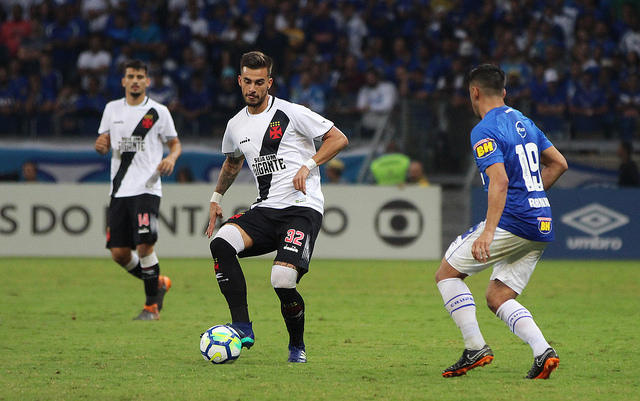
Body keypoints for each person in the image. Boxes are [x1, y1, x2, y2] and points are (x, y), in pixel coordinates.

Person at [205, 51, 349, 363]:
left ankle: (296, 345)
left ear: (269, 82)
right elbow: (232, 162)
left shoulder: (292, 112)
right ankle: (242, 327)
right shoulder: (235, 125)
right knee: (221, 243)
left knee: (282, 281)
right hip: (266, 208)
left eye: (260, 82)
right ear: (239, 81)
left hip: (301, 208)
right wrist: (217, 199)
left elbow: (338, 139)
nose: (253, 88)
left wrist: (308, 165)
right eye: (247, 82)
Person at [434, 64, 568, 380]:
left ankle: (474, 346)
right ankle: (542, 351)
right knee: (498, 297)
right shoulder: (525, 122)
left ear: (474, 92)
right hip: (541, 221)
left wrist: (490, 231)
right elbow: (559, 163)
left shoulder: (484, 129)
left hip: (514, 221)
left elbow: (501, 181)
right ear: (504, 92)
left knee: (447, 274)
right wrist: (532, 193)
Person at [94, 59, 182, 321]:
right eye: (130, 76)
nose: (135, 80)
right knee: (119, 254)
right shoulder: (111, 109)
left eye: (140, 76)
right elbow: (103, 144)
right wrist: (100, 146)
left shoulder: (158, 112)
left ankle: (151, 307)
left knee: (144, 246)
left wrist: (171, 158)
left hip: (147, 186)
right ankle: (158, 282)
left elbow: (175, 144)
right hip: (119, 188)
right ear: (123, 81)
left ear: (147, 81)